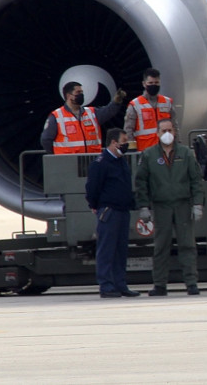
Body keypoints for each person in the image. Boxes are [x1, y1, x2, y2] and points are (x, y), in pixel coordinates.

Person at [134, 118, 204, 296]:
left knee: (187, 245)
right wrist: (143, 206)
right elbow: (141, 182)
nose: (167, 134)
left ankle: (191, 283)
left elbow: (196, 180)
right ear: (157, 133)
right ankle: (159, 284)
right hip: (161, 206)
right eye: (163, 131)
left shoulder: (186, 153)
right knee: (161, 247)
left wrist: (197, 203)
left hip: (182, 205)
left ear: (175, 132)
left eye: (170, 130)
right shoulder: (149, 155)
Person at [84, 127, 138, 298]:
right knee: (107, 250)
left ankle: (120, 284)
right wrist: (94, 205)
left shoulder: (121, 161)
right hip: (109, 211)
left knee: (121, 250)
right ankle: (106, 286)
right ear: (114, 142)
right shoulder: (101, 163)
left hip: (123, 211)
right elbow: (92, 188)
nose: (126, 144)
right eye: (124, 141)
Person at [40, 81, 126, 154]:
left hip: (91, 160)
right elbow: (46, 140)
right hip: (68, 163)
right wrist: (57, 154)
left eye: (82, 92)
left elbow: (109, 111)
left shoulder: (92, 112)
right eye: (78, 92)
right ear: (68, 96)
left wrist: (116, 101)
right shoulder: (56, 116)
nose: (81, 95)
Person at [124, 67, 174, 152]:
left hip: (166, 150)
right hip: (144, 152)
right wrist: (132, 150)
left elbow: (175, 126)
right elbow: (128, 129)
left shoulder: (167, 102)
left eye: (156, 82)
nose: (153, 85)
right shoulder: (135, 105)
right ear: (144, 84)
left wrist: (177, 144)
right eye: (150, 83)